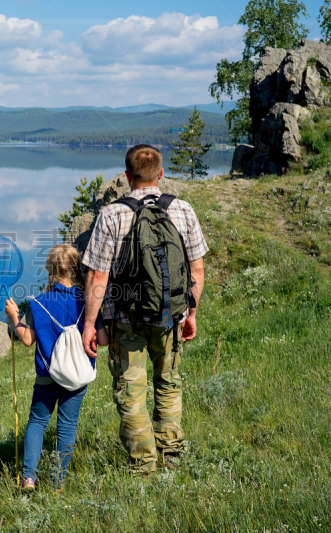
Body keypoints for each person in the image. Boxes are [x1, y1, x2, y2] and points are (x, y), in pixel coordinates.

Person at [81, 144, 207, 473]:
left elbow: (98, 275)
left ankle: (143, 463)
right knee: (168, 382)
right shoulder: (183, 210)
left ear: (127, 176)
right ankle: (171, 456)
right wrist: (190, 313)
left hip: (127, 319)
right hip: (171, 317)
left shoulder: (112, 215)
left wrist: (90, 325)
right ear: (160, 174)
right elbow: (197, 270)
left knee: (130, 391)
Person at [4, 244, 109, 492]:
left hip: (47, 376)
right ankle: (57, 482)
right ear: (76, 269)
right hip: (77, 377)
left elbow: (28, 340)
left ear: (50, 269)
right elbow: (103, 340)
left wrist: (14, 317)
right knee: (67, 426)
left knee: (38, 421)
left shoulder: (39, 303)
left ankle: (29, 477)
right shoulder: (88, 302)